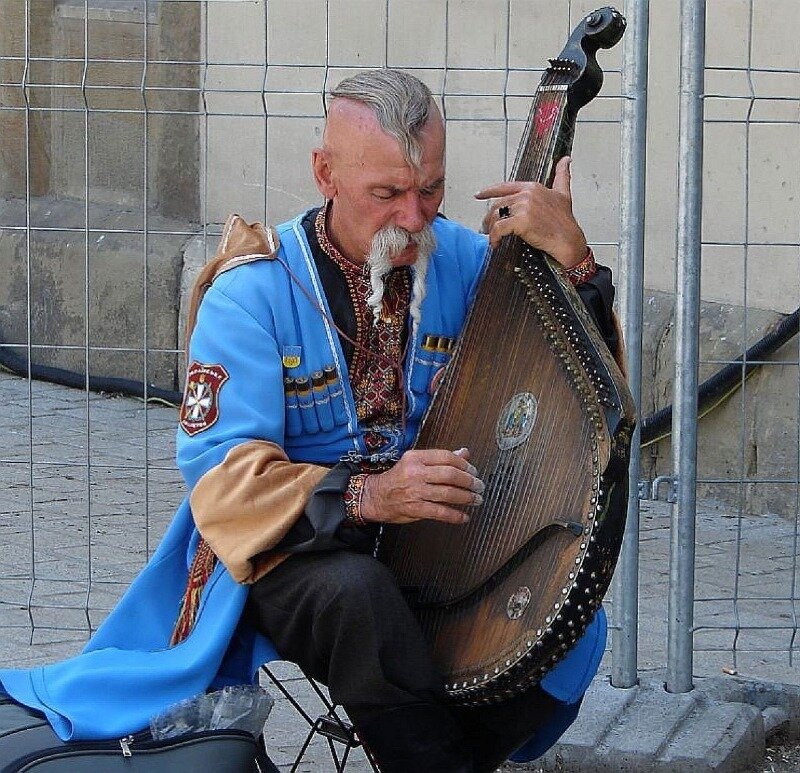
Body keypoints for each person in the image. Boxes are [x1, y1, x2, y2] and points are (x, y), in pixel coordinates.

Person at [0, 69, 620, 772]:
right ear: (325, 172)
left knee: (565, 613)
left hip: (444, 547)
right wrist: (369, 494)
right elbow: (224, 475)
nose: (414, 220)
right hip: (292, 554)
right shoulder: (252, 292)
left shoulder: (472, 265)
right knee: (359, 598)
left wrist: (573, 261)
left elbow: (576, 394)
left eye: (431, 190)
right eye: (386, 194)